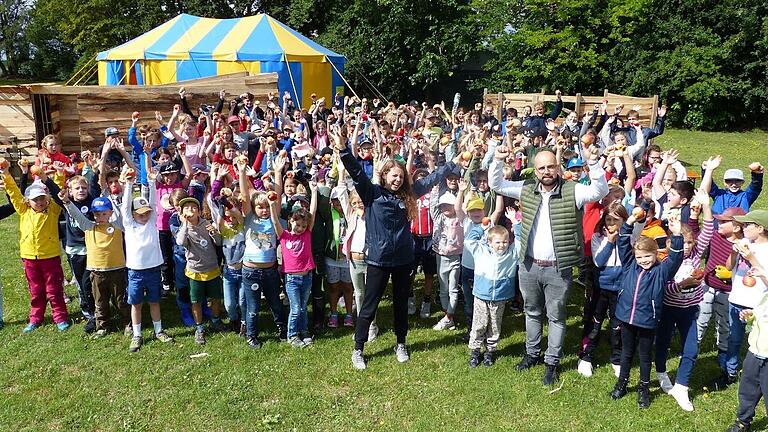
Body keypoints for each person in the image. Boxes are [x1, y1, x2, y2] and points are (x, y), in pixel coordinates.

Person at [334, 129, 462, 370]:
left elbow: (434, 178)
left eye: (400, 176)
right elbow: (356, 172)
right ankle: (358, 348)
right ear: (384, 176)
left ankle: (401, 343)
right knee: (369, 306)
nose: (397, 180)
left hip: (404, 259)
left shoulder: (410, 195)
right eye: (393, 176)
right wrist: (343, 149)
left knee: (401, 304)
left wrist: (455, 161)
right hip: (379, 260)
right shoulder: (371, 194)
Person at [489, 144, 608, 386]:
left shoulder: (573, 190)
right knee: (532, 311)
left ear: (558, 167)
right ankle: (532, 354)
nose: (546, 171)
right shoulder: (526, 188)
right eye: (541, 167)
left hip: (558, 267)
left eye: (551, 166)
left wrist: (594, 163)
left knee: (556, 316)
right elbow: (497, 185)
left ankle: (552, 361)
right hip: (529, 266)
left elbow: (599, 190)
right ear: (534, 170)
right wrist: (497, 160)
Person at [610, 212, 684, 409]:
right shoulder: (629, 265)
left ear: (656, 254)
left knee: (644, 356)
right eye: (640, 257)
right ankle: (622, 383)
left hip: (647, 320)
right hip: (626, 317)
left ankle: (644, 388)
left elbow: (676, 258)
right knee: (626, 353)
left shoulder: (662, 271)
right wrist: (630, 222)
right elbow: (623, 243)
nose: (643, 260)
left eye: (647, 256)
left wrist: (677, 236)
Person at [654, 189, 714, 411]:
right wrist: (682, 284)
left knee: (691, 348)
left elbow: (707, 232)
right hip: (669, 309)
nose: (687, 246)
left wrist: (706, 207)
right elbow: (663, 287)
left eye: (690, 242)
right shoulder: (667, 261)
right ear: (672, 242)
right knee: (663, 342)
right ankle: (661, 372)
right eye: (683, 242)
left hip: (689, 310)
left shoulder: (697, 255)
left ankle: (682, 386)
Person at [3, 170, 70, 333]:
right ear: (28, 201)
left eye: (42, 198)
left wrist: (60, 176)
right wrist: (6, 175)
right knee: (36, 290)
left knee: (54, 289)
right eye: (35, 199)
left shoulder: (53, 210)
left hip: (50, 257)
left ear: (47, 199)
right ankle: (35, 318)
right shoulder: (23, 210)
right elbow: (14, 194)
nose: (39, 202)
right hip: (29, 258)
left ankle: (60, 317)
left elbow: (58, 192)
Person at [120, 150, 174, 352]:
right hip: (134, 271)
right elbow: (125, 208)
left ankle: (159, 330)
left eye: (146, 213)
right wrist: (128, 185)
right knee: (136, 304)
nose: (144, 216)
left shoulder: (152, 222)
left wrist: (152, 182)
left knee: (154, 301)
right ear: (134, 214)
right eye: (140, 213)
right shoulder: (129, 224)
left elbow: (152, 203)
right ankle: (137, 334)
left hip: (153, 269)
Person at [62, 194, 128, 339]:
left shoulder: (117, 225)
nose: (101, 217)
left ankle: (127, 323)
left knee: (120, 300)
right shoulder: (88, 227)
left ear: (111, 213)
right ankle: (103, 326)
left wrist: (111, 191)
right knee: (100, 302)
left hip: (117, 270)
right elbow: (77, 215)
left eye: (104, 213)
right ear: (93, 214)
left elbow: (123, 209)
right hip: (97, 273)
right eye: (97, 214)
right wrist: (67, 202)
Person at [269, 155, 318, 348]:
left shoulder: (306, 234)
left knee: (303, 308)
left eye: (302, 224)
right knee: (296, 308)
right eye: (297, 224)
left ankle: (304, 332)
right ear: (290, 221)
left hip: (307, 276)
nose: (299, 227)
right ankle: (292, 335)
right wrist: (273, 206)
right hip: (292, 279)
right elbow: (274, 221)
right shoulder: (285, 236)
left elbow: (312, 213)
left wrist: (313, 192)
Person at [718, 210, 768, 388]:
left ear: (760, 228)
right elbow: (729, 266)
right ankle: (730, 372)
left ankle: (756, 374)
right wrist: (734, 252)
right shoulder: (744, 242)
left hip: (757, 305)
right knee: (734, 338)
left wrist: (751, 258)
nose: (743, 228)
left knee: (758, 341)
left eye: (747, 225)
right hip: (737, 298)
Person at [465, 217, 521, 367]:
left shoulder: (512, 254)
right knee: (480, 323)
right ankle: (475, 351)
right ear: (489, 242)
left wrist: (517, 226)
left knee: (495, 325)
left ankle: (490, 350)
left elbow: (521, 244)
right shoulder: (481, 251)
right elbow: (469, 241)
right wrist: (481, 228)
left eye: (505, 242)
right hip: (481, 295)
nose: (502, 245)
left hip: (500, 297)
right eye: (497, 242)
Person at [175, 197, 225, 345]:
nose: (190, 210)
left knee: (215, 298)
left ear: (199, 211)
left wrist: (215, 233)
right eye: (187, 208)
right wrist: (184, 224)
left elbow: (218, 242)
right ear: (182, 212)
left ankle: (216, 320)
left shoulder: (206, 224)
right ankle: (199, 327)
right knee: (196, 301)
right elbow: (180, 242)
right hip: (195, 271)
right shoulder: (184, 228)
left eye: (193, 207)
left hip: (211, 268)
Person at [724, 281, 768, 432]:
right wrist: (750, 315)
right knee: (747, 389)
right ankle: (743, 422)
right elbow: (760, 314)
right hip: (755, 351)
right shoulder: (765, 296)